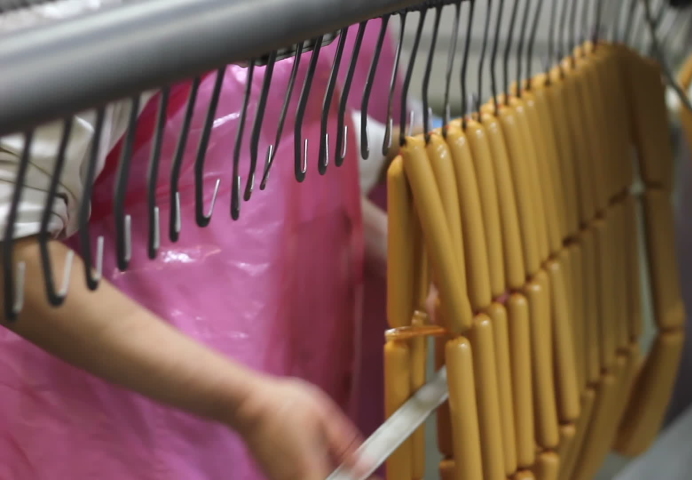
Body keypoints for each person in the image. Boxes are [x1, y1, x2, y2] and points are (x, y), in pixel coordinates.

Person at [0, 11, 412, 480]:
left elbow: (226, 151)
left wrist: (402, 251)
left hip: (258, 387)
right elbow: (11, 248)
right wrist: (245, 401)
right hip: (117, 419)